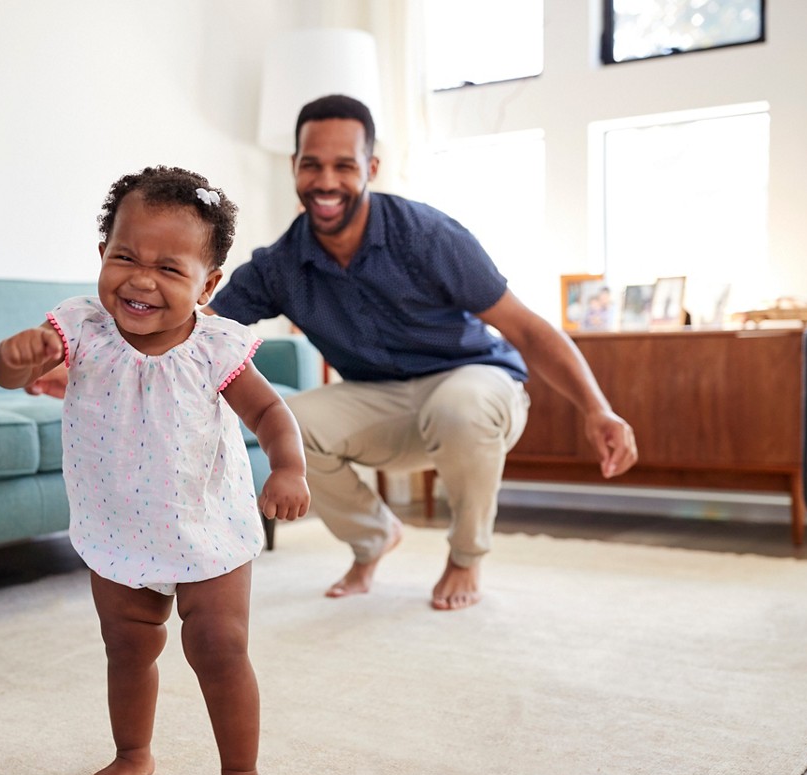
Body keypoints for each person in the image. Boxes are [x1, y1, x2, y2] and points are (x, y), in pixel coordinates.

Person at [206, 94, 638, 612]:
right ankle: (373, 537)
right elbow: (204, 327)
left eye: (344, 165)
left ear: (371, 167)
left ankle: (465, 556)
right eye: (311, 165)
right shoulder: (281, 263)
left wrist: (597, 408)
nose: (325, 182)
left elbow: (525, 326)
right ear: (295, 167)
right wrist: (99, 340)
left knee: (458, 407)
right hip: (380, 402)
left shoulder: (428, 236)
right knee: (291, 421)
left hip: (474, 384)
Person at [0, 165, 310, 775]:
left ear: (208, 284)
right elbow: (8, 371)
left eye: (170, 268)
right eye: (124, 256)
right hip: (116, 525)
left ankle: (239, 772)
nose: (140, 279)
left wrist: (287, 468)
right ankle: (133, 753)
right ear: (102, 253)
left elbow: (272, 413)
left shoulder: (216, 345)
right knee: (128, 646)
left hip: (206, 522)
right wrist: (17, 357)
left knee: (220, 646)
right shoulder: (78, 327)